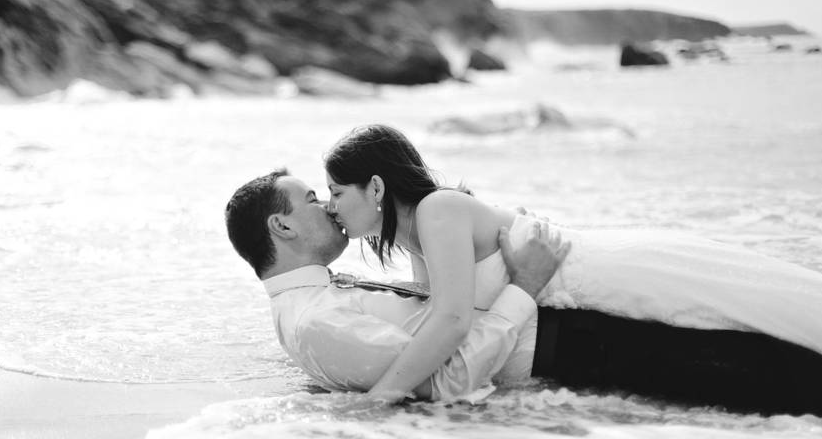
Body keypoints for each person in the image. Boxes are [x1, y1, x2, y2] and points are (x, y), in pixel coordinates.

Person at [324, 124, 822, 404]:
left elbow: (453, 319)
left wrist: (385, 393)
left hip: (604, 276)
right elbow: (449, 329)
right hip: (586, 300)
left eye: (335, 191)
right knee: (738, 325)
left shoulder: (437, 210)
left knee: (748, 308)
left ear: (375, 186)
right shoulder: (420, 240)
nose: (330, 207)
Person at [224, 168, 570, 402]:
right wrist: (524, 287)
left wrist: (425, 236)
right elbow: (450, 382)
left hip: (557, 333)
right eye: (313, 199)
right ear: (283, 227)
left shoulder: (314, 301)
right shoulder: (316, 322)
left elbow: (419, 318)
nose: (330, 207)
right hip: (566, 348)